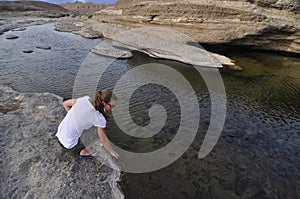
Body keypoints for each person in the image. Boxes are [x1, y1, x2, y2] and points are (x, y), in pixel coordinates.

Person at [56, 89, 119, 159]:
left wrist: (75, 118)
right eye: (112, 106)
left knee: (93, 127)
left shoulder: (85, 99)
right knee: (99, 134)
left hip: (59, 134)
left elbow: (65, 104)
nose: (113, 109)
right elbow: (103, 139)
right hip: (69, 143)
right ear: (104, 103)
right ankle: (84, 152)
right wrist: (111, 151)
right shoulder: (99, 118)